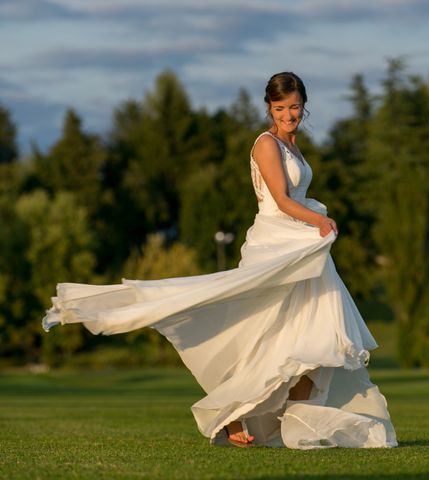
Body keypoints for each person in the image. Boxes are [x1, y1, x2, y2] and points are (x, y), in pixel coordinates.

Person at [43, 72, 397, 449]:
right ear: (269, 108)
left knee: (317, 340)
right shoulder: (266, 144)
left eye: (294, 107)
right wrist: (321, 220)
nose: (289, 115)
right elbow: (279, 198)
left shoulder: (293, 145)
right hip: (278, 242)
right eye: (280, 108)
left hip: (301, 244)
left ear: (304, 105)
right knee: (259, 334)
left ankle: (297, 423)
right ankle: (231, 414)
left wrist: (313, 226)